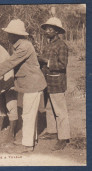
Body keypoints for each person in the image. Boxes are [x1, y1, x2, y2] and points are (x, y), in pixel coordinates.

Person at [0, 19, 47, 153]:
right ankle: (31, 141)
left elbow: (10, 63)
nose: (8, 36)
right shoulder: (19, 46)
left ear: (16, 35)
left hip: (32, 84)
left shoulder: (24, 47)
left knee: (27, 115)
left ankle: (27, 145)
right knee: (30, 114)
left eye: (10, 34)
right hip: (29, 84)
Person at [38, 17, 70, 151]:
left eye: (50, 29)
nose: (47, 31)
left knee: (60, 111)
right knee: (51, 109)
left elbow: (63, 65)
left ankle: (63, 138)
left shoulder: (61, 45)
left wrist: (45, 60)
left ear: (56, 31)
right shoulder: (49, 44)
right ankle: (53, 131)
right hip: (47, 81)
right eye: (46, 29)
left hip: (56, 82)